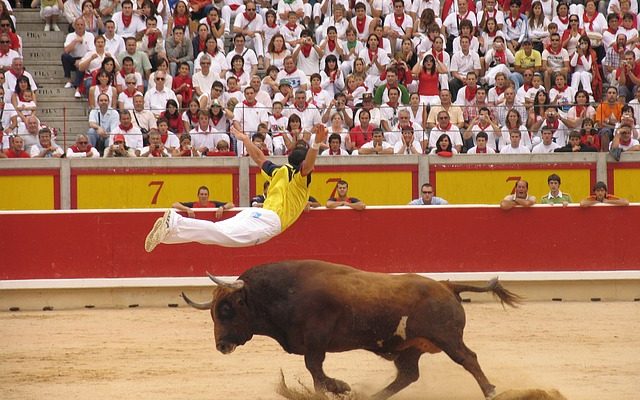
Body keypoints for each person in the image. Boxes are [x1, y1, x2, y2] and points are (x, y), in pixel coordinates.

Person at [144, 124, 328, 252]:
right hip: (270, 221)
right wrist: (316, 144)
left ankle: (169, 233)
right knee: (222, 235)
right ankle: (175, 221)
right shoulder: (299, 178)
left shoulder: (279, 171)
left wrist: (245, 139)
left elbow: (259, 158)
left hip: (256, 214)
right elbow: (308, 165)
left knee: (217, 233)